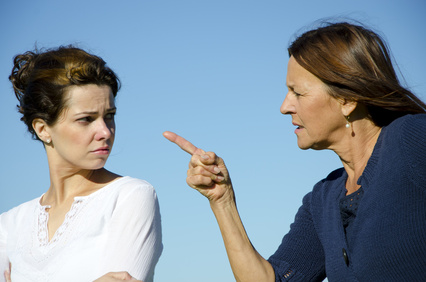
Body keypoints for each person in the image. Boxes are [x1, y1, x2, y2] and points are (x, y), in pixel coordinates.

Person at [163, 21, 426, 281]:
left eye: (297, 92)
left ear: (347, 99)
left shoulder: (411, 139)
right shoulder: (323, 199)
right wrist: (222, 201)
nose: (284, 106)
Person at [0, 46, 163, 282]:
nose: (105, 132)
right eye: (86, 119)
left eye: (109, 116)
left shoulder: (130, 197)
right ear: (43, 129)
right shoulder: (8, 226)